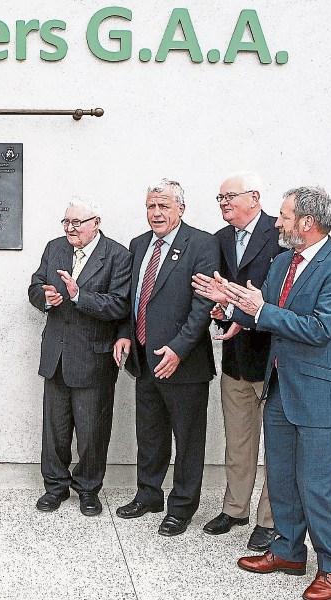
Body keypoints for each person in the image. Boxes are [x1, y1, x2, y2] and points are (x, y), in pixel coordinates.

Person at [228, 187, 331, 600]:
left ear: (307, 222)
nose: (277, 223)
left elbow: (320, 329)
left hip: (321, 394)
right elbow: (265, 314)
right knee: (281, 477)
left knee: (315, 485)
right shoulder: (283, 261)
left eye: (284, 216)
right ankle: (287, 551)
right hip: (281, 386)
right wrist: (230, 307)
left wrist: (259, 309)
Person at [113, 178, 219, 537]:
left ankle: (182, 508)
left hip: (184, 363)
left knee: (188, 440)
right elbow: (132, 298)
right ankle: (148, 495)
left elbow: (203, 305)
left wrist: (179, 348)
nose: (155, 213)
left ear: (181, 209)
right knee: (150, 433)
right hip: (144, 359)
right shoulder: (139, 244)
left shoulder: (202, 243)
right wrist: (125, 333)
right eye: (150, 206)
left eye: (163, 206)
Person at [191, 172, 282, 551]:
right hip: (235, 360)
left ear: (254, 198)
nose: (224, 203)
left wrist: (241, 312)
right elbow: (220, 295)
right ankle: (234, 509)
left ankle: (269, 521)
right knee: (238, 441)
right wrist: (221, 312)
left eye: (231, 196)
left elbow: (280, 298)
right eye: (220, 198)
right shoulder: (221, 239)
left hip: (273, 360)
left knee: (276, 447)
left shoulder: (280, 234)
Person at [27, 200, 130, 515]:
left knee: (92, 433)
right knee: (55, 431)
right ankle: (54, 487)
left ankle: (88, 489)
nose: (70, 229)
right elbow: (34, 286)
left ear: (96, 222)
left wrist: (78, 296)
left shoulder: (118, 255)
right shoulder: (54, 247)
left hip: (93, 358)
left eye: (77, 222)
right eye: (66, 222)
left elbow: (119, 305)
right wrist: (45, 297)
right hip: (56, 356)